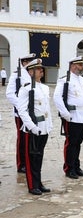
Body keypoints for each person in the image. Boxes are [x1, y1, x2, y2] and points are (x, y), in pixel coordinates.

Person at [17, 59, 52, 195]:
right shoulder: (25, 89)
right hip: (32, 129)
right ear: (30, 72)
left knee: (39, 156)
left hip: (43, 127)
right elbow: (22, 111)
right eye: (38, 69)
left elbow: (46, 108)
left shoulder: (44, 87)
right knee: (32, 158)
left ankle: (39, 182)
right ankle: (32, 185)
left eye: (41, 69)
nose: (41, 71)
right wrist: (31, 127)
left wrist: (49, 125)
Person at [53, 56, 83, 179]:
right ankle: (69, 168)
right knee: (71, 143)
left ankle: (76, 166)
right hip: (72, 116)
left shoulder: (82, 80)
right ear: (73, 66)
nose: (82, 67)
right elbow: (57, 97)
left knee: (78, 143)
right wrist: (65, 114)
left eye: (82, 65)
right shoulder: (65, 80)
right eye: (80, 65)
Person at [6, 53, 36, 173]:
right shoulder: (16, 75)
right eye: (30, 62)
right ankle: (21, 164)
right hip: (21, 113)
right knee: (22, 138)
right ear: (24, 62)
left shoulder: (32, 74)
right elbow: (9, 94)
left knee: (31, 138)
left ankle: (30, 160)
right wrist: (21, 107)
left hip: (33, 112)